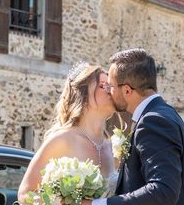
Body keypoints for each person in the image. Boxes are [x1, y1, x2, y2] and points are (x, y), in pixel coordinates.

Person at [87, 48, 184, 205]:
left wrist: (98, 204)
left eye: (111, 86)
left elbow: (163, 191)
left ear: (126, 90)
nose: (109, 92)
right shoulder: (166, 113)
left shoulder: (153, 121)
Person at [17, 63, 118, 202]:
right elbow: (25, 193)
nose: (110, 91)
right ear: (82, 94)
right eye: (102, 86)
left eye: (110, 86)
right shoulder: (62, 140)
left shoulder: (114, 148)